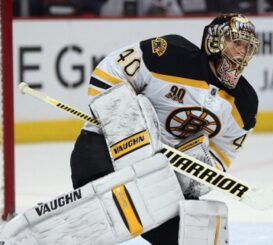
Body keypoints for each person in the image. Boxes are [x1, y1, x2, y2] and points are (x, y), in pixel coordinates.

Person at [70, 13, 260, 245]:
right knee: (108, 212)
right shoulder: (169, 54)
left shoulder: (245, 104)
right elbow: (107, 73)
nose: (242, 52)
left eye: (247, 47)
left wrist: (193, 175)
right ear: (215, 41)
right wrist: (125, 129)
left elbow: (222, 155)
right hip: (103, 154)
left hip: (160, 178)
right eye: (237, 43)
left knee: (195, 233)